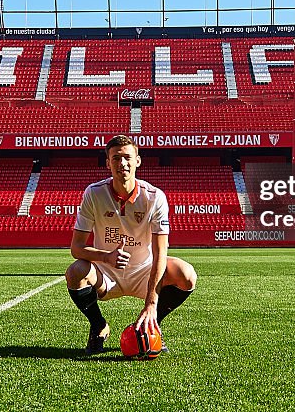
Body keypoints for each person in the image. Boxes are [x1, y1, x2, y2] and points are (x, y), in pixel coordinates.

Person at [65, 135, 197, 354]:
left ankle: (152, 324)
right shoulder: (93, 193)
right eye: (115, 158)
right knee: (75, 272)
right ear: (107, 163)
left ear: (138, 161)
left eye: (127, 157)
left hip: (144, 273)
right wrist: (106, 257)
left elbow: (160, 253)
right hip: (106, 274)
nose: (122, 163)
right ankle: (98, 326)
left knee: (187, 274)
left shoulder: (154, 197)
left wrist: (151, 304)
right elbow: (76, 249)